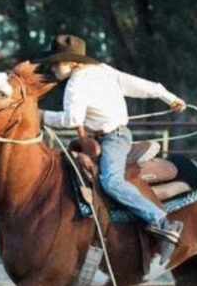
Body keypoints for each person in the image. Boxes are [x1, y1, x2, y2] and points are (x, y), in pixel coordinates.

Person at [33, 34, 186, 260]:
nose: (53, 68)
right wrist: (169, 97)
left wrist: (39, 115)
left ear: (72, 62)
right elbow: (143, 86)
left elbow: (71, 119)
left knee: (111, 181)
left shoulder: (76, 83)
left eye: (56, 62)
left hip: (112, 139)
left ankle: (162, 221)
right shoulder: (104, 70)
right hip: (112, 136)